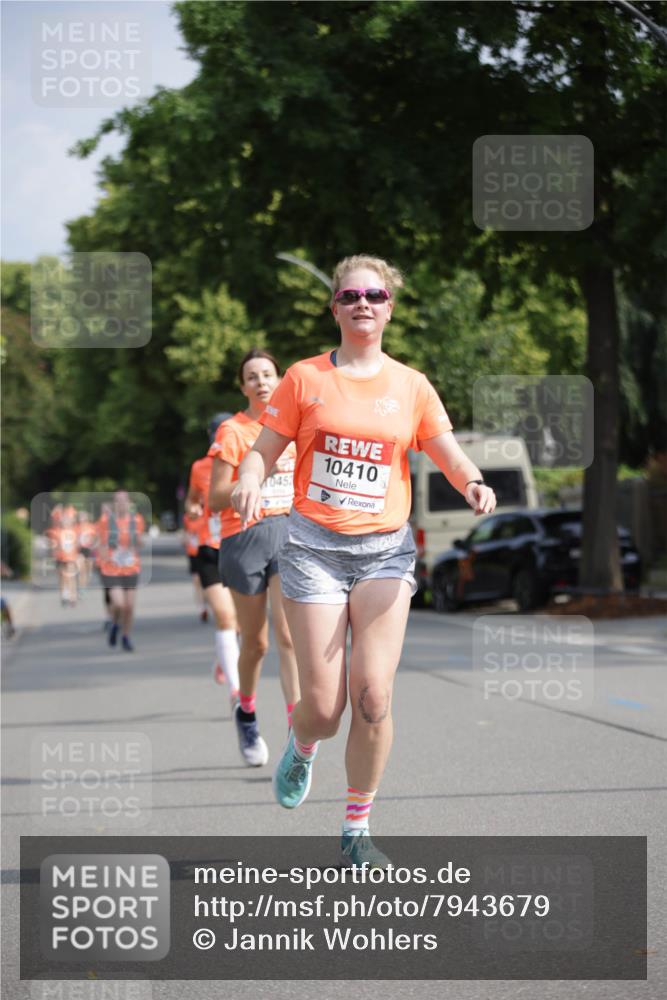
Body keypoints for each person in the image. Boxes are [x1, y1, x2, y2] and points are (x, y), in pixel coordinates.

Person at [231, 255, 497, 867]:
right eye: (350, 295)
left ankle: (356, 827)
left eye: (374, 295)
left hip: (384, 551)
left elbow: (448, 452)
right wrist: (249, 478)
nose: (363, 304)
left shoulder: (411, 385)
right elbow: (263, 449)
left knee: (374, 696)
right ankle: (302, 745)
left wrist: (473, 482)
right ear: (335, 307)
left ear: (389, 307)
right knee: (324, 710)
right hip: (313, 551)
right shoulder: (302, 379)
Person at [208, 349, 300, 767]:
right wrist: (255, 475)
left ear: (279, 381)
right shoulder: (234, 431)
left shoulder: (295, 429)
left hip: (286, 534)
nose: (262, 382)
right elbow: (213, 498)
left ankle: (297, 736)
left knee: (288, 638)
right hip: (243, 539)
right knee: (257, 644)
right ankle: (246, 712)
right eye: (252, 376)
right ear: (242, 387)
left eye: (268, 374)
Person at [185, 414, 241, 705]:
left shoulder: (249, 461)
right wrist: (193, 508)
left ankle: (224, 657)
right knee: (226, 616)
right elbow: (192, 500)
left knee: (241, 623)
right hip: (210, 548)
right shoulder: (200, 468)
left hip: (241, 545)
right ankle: (236, 691)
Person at [97, 491, 145, 651]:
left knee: (129, 606)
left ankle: (125, 636)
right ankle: (115, 624)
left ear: (129, 503)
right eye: (118, 501)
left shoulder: (136, 520)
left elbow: (140, 543)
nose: (122, 504)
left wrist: (136, 543)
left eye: (124, 501)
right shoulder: (105, 521)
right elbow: (100, 543)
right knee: (119, 603)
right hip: (111, 568)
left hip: (130, 566)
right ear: (114, 504)